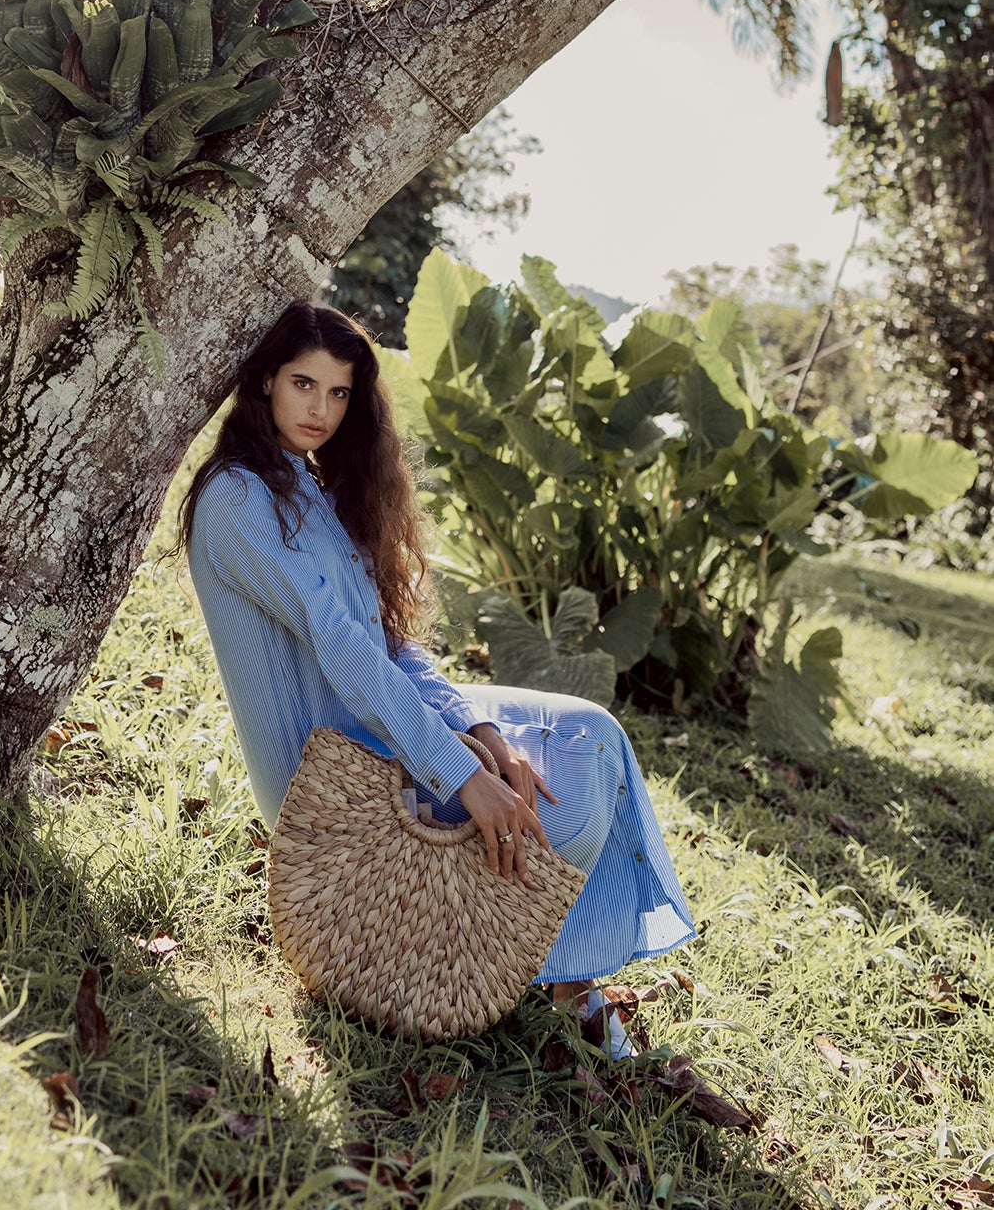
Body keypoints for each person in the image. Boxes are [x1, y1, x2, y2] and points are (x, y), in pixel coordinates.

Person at [181, 300, 695, 1054]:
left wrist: (478, 728)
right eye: (302, 384)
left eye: (338, 392)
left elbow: (387, 643)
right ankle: (557, 974)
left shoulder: (308, 486)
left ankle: (564, 980)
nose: (320, 409)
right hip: (328, 772)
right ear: (262, 382)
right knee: (576, 798)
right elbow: (344, 654)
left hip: (377, 723)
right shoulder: (237, 500)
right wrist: (460, 772)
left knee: (589, 734)